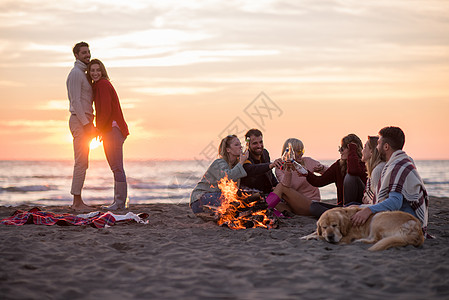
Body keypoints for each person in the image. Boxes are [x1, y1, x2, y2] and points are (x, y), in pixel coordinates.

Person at [351, 127, 429, 236]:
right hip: (402, 218)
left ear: (386, 146)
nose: (377, 148)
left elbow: (395, 202)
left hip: (407, 224)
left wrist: (368, 210)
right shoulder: (400, 161)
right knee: (353, 209)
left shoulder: (397, 166)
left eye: (378, 143)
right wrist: (361, 208)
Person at [87, 59, 130, 210]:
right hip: (111, 130)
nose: (95, 73)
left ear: (102, 71)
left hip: (113, 129)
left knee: (117, 167)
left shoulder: (103, 84)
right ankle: (118, 202)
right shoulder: (99, 85)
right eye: (92, 71)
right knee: (116, 167)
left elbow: (105, 109)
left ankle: (119, 203)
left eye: (98, 70)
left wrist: (98, 129)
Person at [303, 134, 367, 217]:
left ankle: (345, 213)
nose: (340, 151)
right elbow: (319, 181)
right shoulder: (339, 165)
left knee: (350, 177)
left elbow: (353, 170)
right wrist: (306, 173)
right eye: (339, 148)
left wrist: (352, 149)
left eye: (342, 148)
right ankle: (342, 214)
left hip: (359, 207)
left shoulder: (364, 165)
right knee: (314, 206)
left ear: (353, 149)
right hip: (342, 207)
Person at [66, 41, 95, 210]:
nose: (87, 55)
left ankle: (78, 200)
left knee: (84, 162)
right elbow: (76, 101)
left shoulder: (83, 73)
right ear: (76, 55)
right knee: (80, 162)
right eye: (83, 52)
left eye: (88, 52)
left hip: (85, 121)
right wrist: (86, 124)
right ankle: (77, 202)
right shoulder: (76, 73)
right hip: (79, 121)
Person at [190, 135, 249, 213]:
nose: (240, 147)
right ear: (228, 150)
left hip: (216, 197)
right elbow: (227, 178)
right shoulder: (219, 163)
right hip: (199, 199)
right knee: (230, 199)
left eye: (240, 144)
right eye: (236, 145)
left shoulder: (234, 165)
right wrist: (241, 162)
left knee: (240, 200)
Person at [240, 129, 283, 194]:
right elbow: (251, 169)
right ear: (248, 144)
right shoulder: (245, 157)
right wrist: (270, 165)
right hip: (254, 197)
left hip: (269, 193)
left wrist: (276, 186)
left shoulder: (265, 153)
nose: (259, 146)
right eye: (255, 143)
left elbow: (270, 174)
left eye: (261, 142)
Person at [361, 136, 386, 205]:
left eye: (364, 147)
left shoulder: (378, 170)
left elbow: (378, 202)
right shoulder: (376, 168)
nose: (362, 151)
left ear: (371, 151)